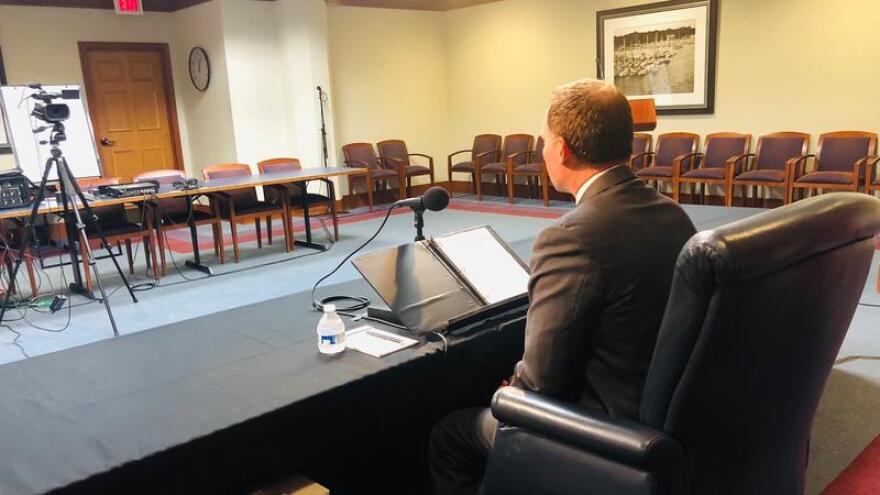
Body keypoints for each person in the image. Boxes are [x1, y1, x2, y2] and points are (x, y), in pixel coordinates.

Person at [427, 79, 697, 495]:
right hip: (661, 409)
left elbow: (542, 383)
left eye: (544, 141)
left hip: (603, 428)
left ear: (563, 150)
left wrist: (511, 394)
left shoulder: (569, 236)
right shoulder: (672, 213)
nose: (542, 150)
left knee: (448, 435)